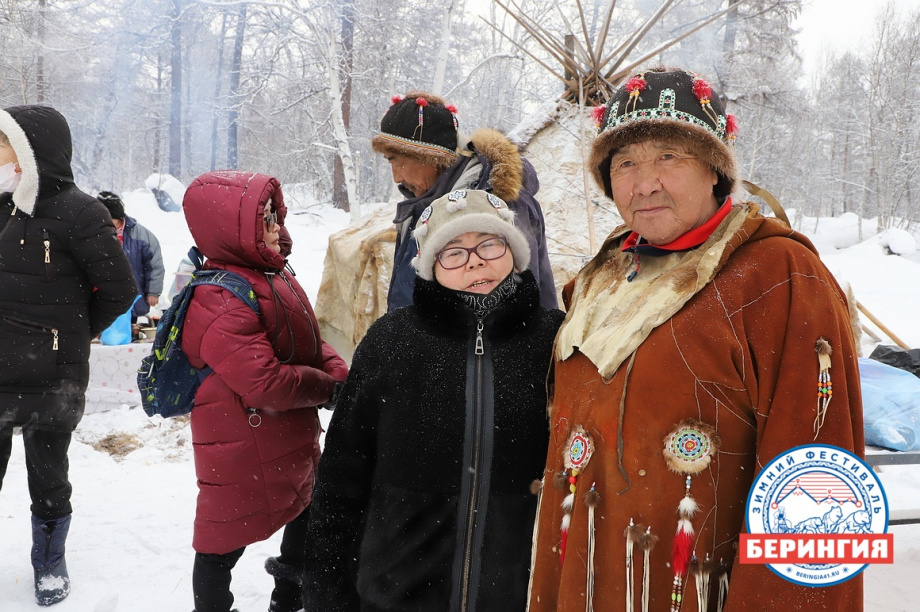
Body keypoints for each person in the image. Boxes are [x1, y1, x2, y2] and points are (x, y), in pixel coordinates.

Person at [527, 68, 864, 611]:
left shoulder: (778, 274)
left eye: (669, 156)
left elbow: (820, 476)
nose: (644, 182)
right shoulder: (604, 272)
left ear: (714, 171)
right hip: (586, 579)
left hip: (697, 589)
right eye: (625, 163)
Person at [302, 189, 565, 611]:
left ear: (514, 251)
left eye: (489, 244)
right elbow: (341, 475)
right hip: (396, 591)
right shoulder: (391, 341)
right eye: (453, 252)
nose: (475, 261)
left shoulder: (555, 340)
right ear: (430, 267)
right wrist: (325, 591)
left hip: (518, 591)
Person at [180, 171, 348, 612]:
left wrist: (337, 372)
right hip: (241, 443)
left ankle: (288, 599)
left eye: (276, 216)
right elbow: (265, 382)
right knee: (221, 540)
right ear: (232, 228)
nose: (277, 228)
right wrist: (327, 388)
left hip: (283, 434)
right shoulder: (218, 293)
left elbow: (304, 337)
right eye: (265, 219)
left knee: (305, 509)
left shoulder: (270, 274)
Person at [0, 105, 138, 606]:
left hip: (52, 373)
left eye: (1, 142)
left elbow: (120, 291)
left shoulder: (80, 213)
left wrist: (70, 334)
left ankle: (50, 563)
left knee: (49, 475)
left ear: (32, 151)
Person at [371, 90, 558, 310]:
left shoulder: (497, 204)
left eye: (399, 162)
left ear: (434, 159)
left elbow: (514, 315)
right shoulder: (421, 204)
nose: (397, 178)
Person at [97, 190, 165, 320]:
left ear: (119, 218)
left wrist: (153, 292)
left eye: (109, 220)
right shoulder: (92, 234)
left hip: (134, 297)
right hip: (102, 300)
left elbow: (155, 265)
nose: (104, 224)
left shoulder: (142, 236)